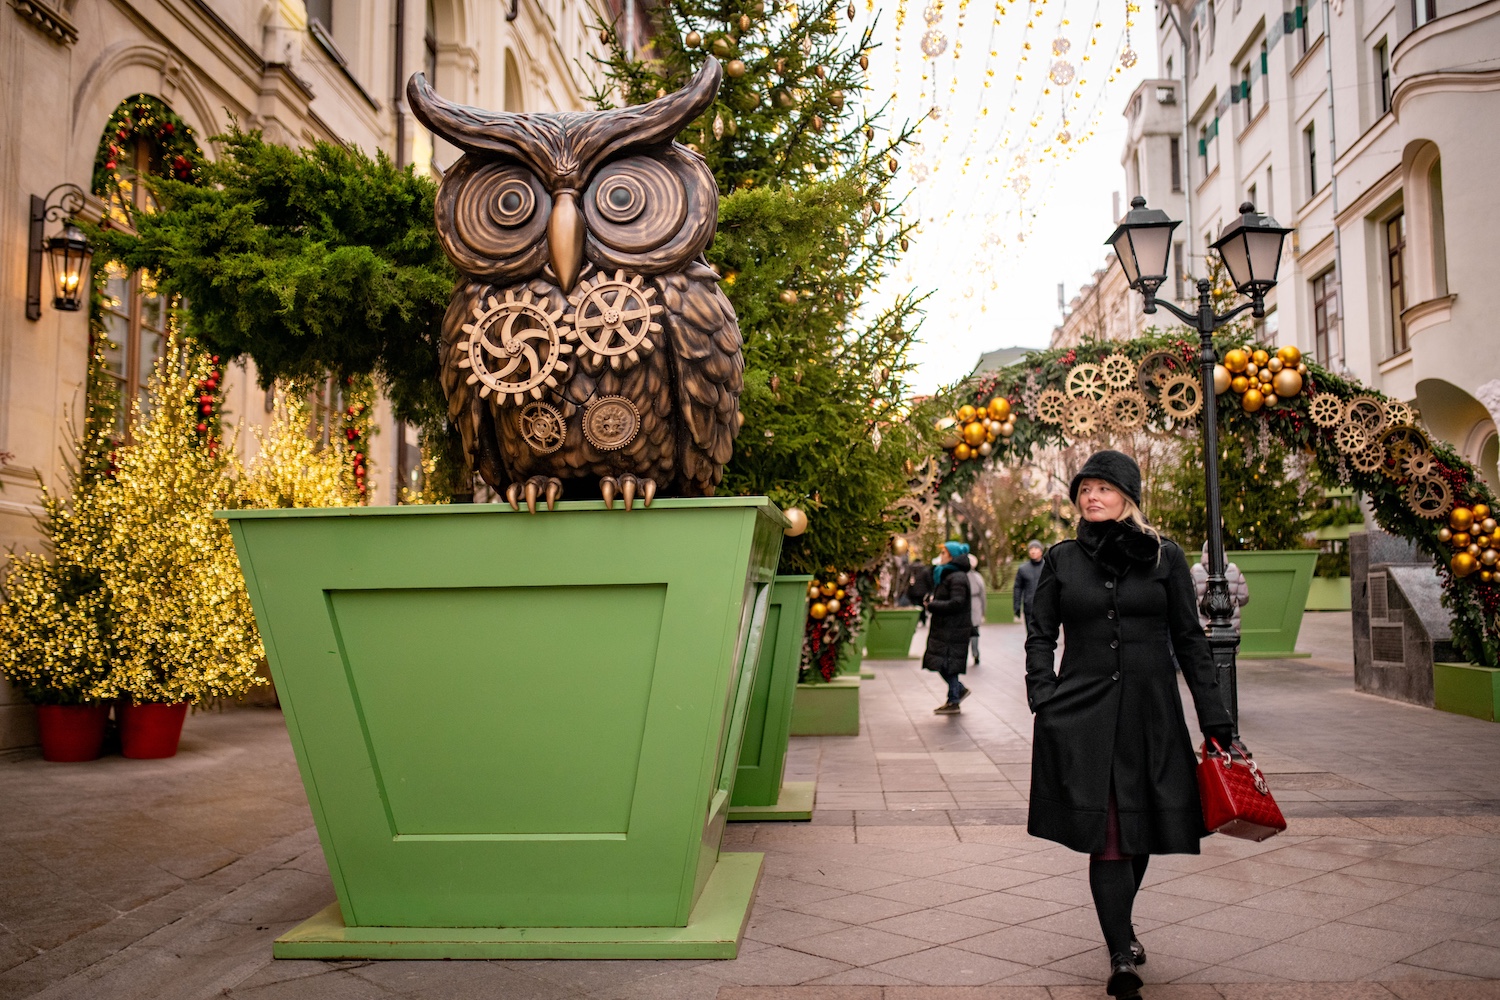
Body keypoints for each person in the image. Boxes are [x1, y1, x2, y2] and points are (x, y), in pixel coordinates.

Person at [1023, 450, 1240, 1000]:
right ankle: (1121, 954)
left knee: (1143, 826)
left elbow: (1191, 641)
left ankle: (1122, 925)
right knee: (1110, 834)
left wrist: (1215, 719)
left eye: (1103, 488)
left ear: (1128, 497)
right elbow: (1040, 633)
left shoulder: (1164, 557)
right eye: (1084, 489)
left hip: (1151, 711)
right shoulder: (1062, 559)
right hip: (1084, 713)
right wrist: (1043, 696)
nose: (1091, 496)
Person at [922, 541, 973, 714]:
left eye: (943, 553)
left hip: (953, 628)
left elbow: (957, 602)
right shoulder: (947, 574)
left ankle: (955, 697)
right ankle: (956, 693)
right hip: (946, 627)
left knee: (945, 662)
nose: (940, 556)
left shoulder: (957, 577)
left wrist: (933, 605)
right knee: (942, 661)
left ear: (951, 556)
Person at [1190, 542, 1250, 632]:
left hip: (1203, 625)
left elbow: (1189, 598)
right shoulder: (1233, 570)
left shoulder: (1195, 571)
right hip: (1230, 624)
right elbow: (1244, 597)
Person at [1012, 540, 1046, 630]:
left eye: (1036, 548)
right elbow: (1018, 588)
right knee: (1031, 633)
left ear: (1041, 551)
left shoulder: (1048, 567)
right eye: (1031, 549)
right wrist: (1017, 606)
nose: (1033, 551)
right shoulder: (1023, 569)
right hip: (1029, 607)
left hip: (1046, 607)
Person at [966, 555, 988, 666]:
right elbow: (983, 595)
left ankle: (971, 653)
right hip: (975, 606)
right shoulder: (977, 577)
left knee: (967, 631)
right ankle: (975, 653)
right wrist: (983, 611)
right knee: (974, 631)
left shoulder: (961, 576)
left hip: (970, 605)